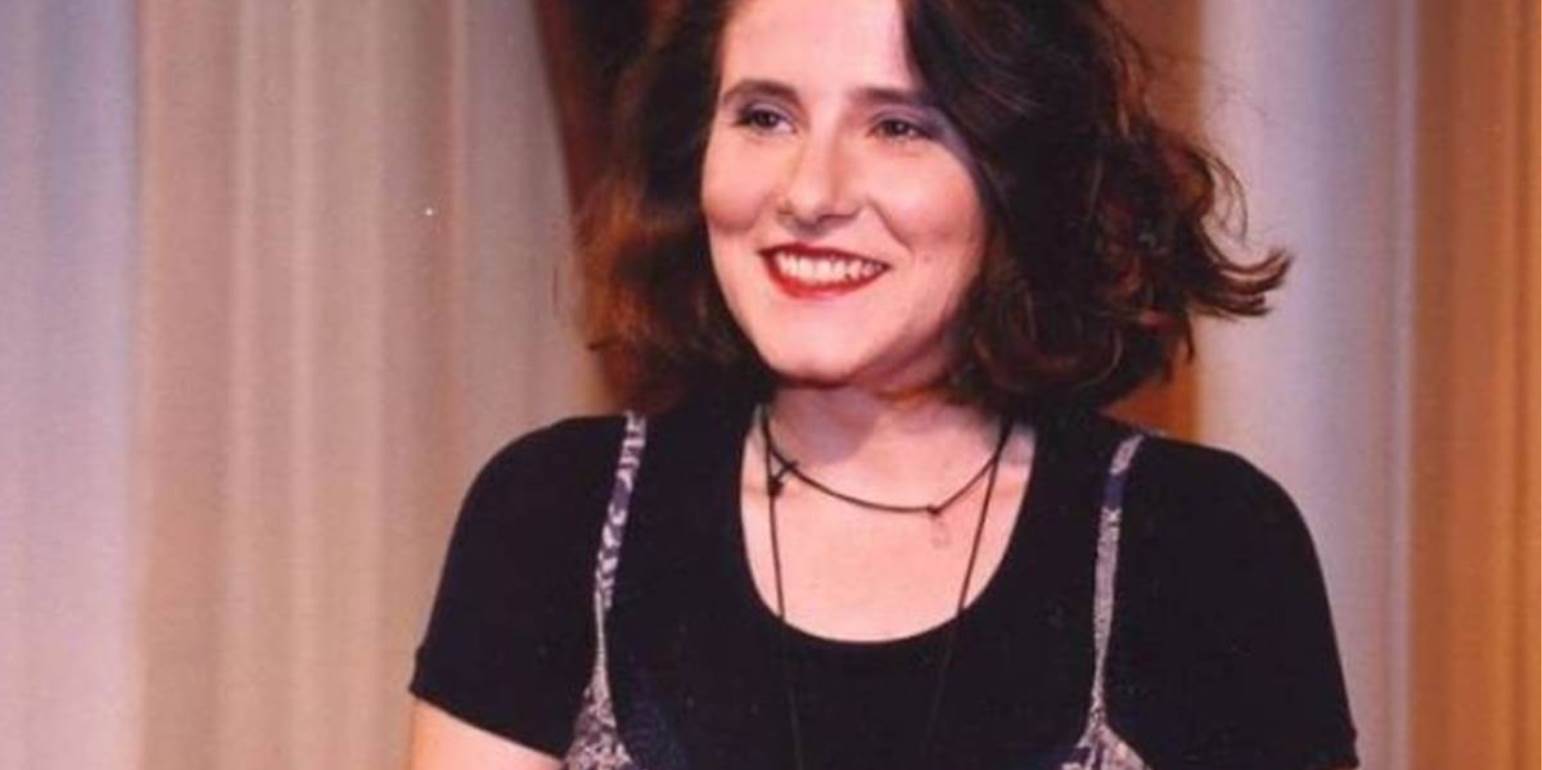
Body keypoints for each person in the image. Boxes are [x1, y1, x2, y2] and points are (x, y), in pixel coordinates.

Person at [406, 0, 1360, 768]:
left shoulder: (1202, 544)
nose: (810, 193)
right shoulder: (554, 517)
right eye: (765, 117)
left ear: (1018, 171)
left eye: (898, 125)